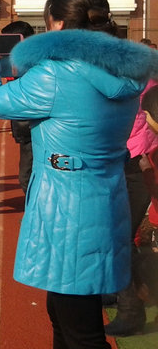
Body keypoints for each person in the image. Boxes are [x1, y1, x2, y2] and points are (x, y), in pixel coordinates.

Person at [0, 0, 158, 348]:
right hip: (103, 197)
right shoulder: (124, 70)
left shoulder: (57, 74)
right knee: (66, 314)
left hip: (68, 208)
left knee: (79, 329)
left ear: (57, 25)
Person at [104, 63, 158, 338]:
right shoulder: (124, 82)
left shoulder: (133, 86)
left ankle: (132, 309)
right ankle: (123, 291)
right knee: (117, 236)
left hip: (137, 162)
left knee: (120, 238)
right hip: (131, 161)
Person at [0, 20, 36, 193]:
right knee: (28, 178)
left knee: (27, 179)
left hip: (34, 129)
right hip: (27, 129)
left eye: (8, 41)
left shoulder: (35, 66)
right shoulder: (19, 64)